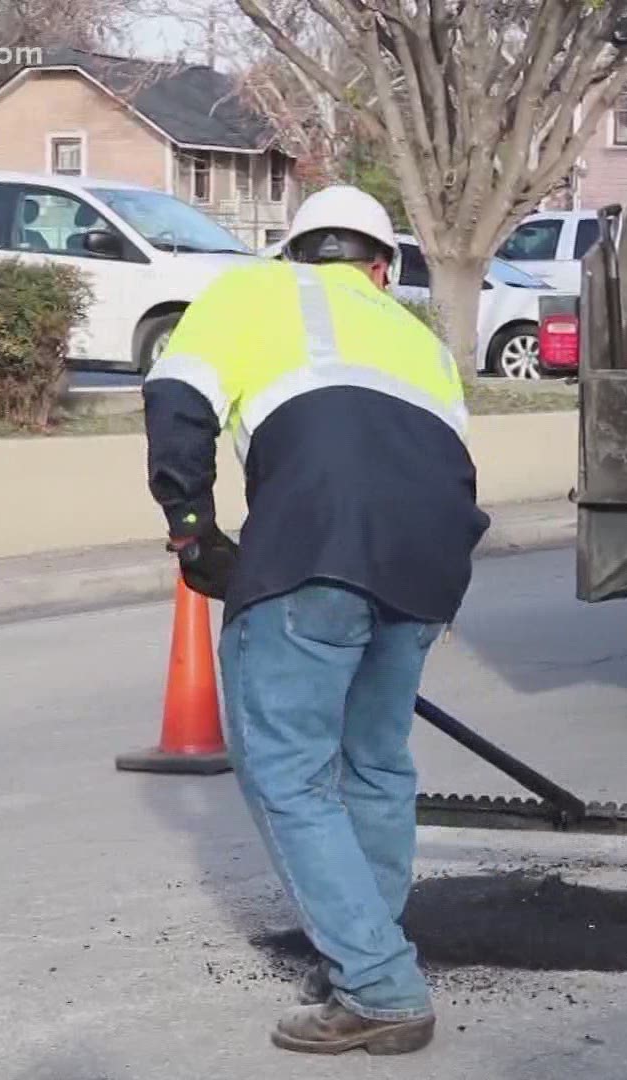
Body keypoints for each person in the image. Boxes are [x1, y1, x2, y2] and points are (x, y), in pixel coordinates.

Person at [141, 185, 488, 1055]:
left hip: (314, 550)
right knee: (374, 762)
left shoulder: (251, 292)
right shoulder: (421, 340)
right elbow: (453, 466)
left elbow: (177, 399)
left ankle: (377, 984)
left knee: (290, 774)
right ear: (382, 268)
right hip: (430, 561)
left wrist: (192, 529)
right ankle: (365, 950)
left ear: (294, 250)